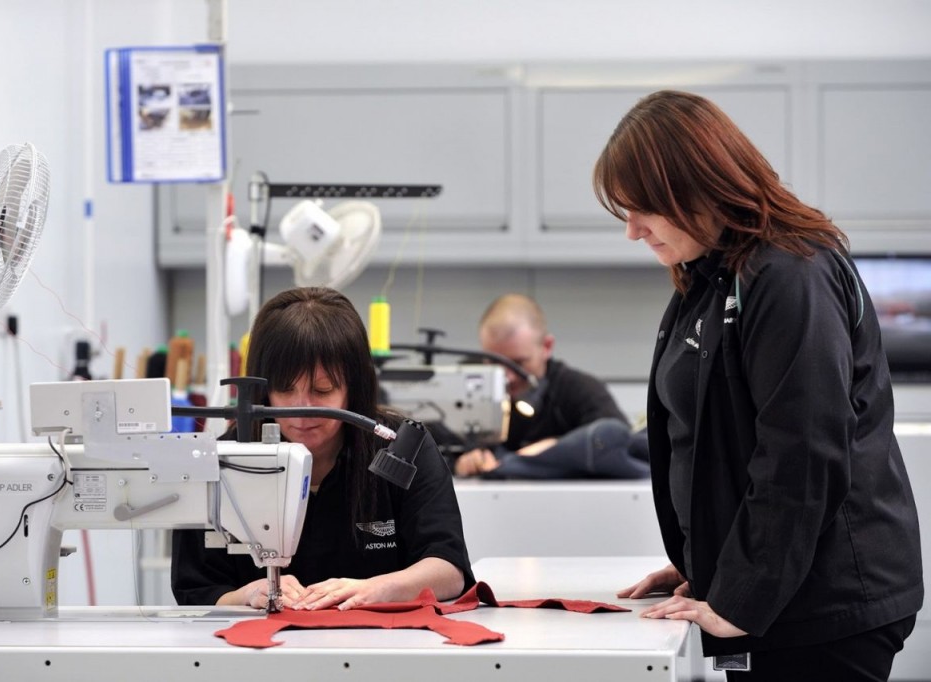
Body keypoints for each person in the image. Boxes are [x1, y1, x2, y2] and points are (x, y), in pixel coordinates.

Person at [593, 90, 923, 681]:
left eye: (643, 209)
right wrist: (713, 561)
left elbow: (801, 453)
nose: (634, 232)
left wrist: (743, 591)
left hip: (826, 602)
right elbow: (724, 438)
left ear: (697, 185)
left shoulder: (790, 273)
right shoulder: (716, 276)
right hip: (779, 592)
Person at [171, 287, 474, 610]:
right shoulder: (222, 463)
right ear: (262, 391)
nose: (302, 409)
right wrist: (247, 595)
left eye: (322, 389)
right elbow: (196, 590)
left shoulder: (402, 448)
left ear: (353, 389)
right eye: (285, 389)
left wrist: (381, 588)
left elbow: (449, 569)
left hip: (384, 647)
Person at [452, 293, 649, 480]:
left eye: (518, 363)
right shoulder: (461, 383)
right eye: (494, 362)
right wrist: (458, 463)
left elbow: (615, 442)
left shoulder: (578, 389)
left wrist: (555, 448)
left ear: (546, 346)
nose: (507, 377)